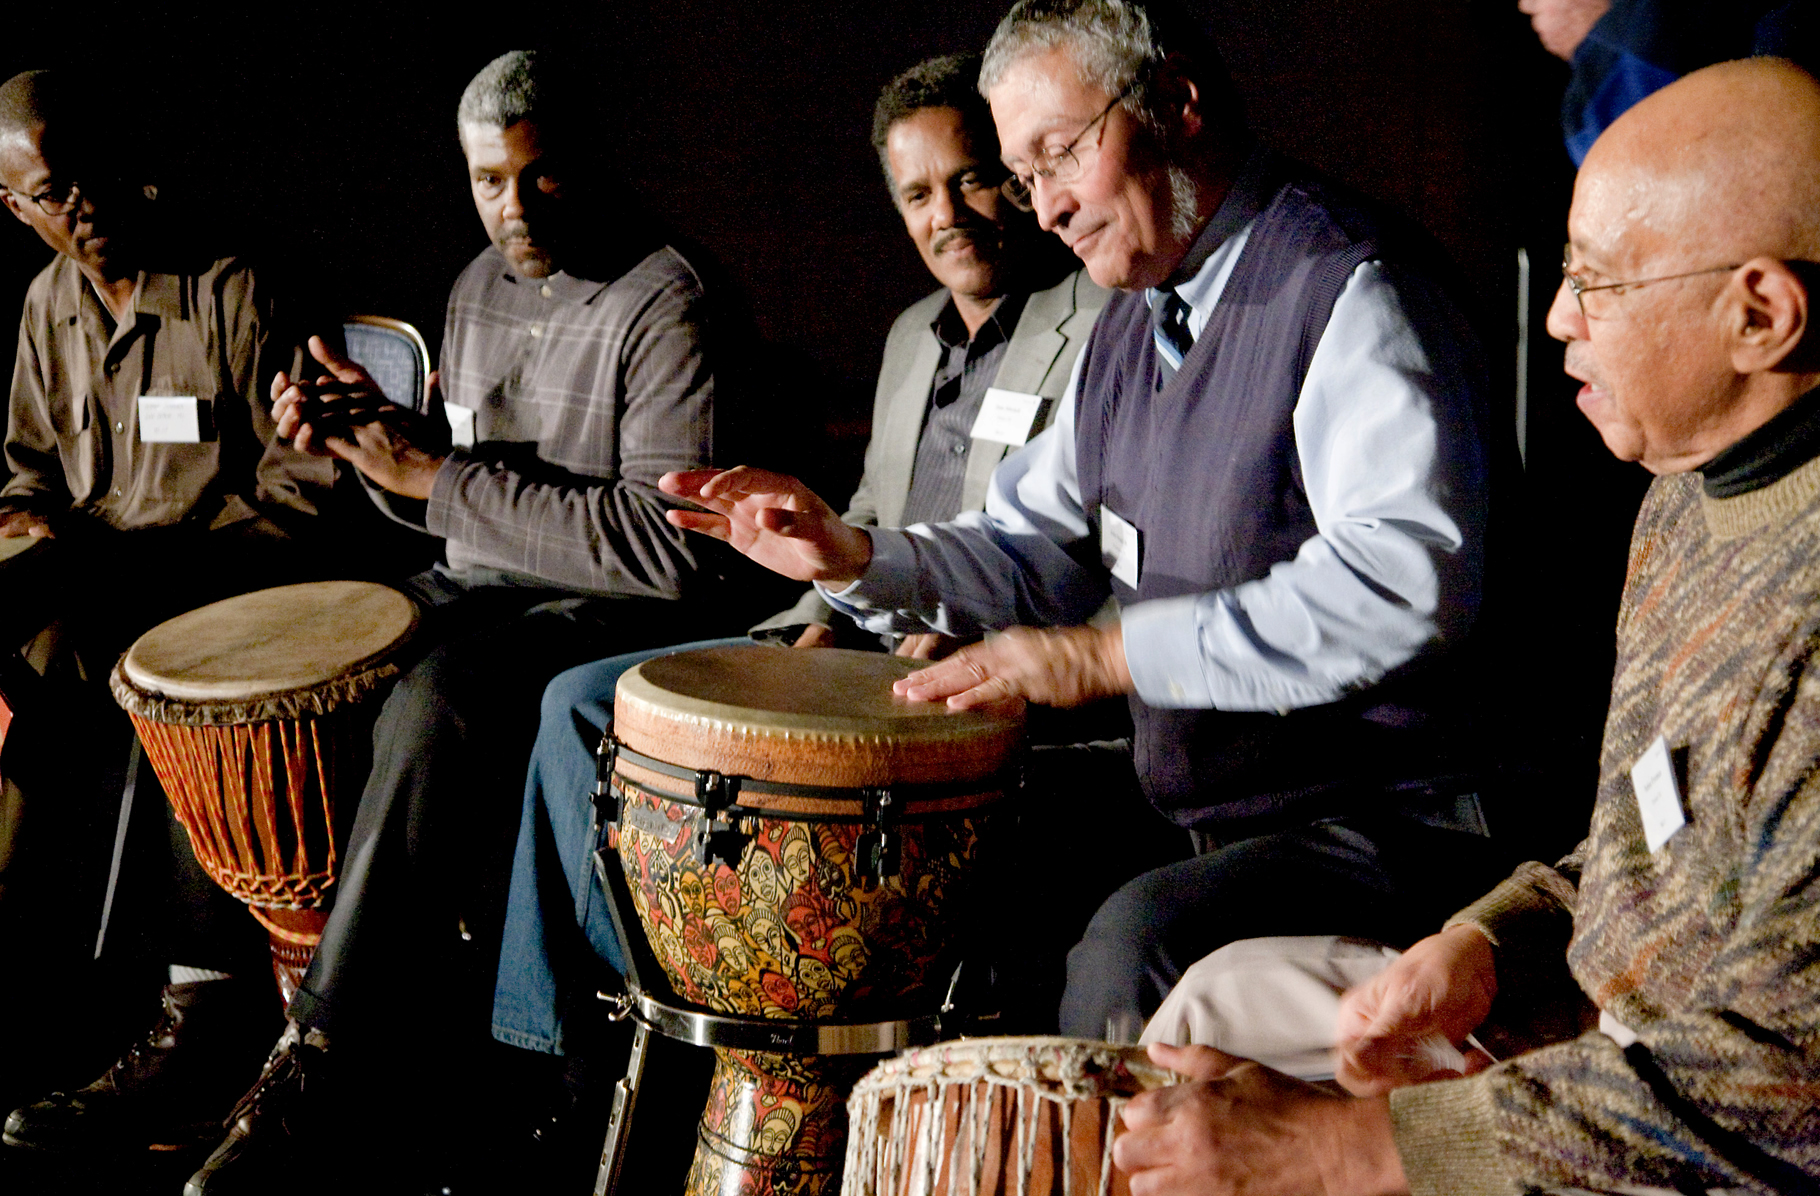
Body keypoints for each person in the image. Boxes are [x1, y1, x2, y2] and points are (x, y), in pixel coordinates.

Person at [661, 0, 1502, 1043]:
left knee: (1129, 941)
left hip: (1387, 817)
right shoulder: (1133, 322)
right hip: (1206, 806)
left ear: (1178, 104)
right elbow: (1026, 547)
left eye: (1059, 155)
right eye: (1024, 175)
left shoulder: (1348, 286)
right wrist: (853, 552)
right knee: (943, 867)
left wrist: (1110, 653)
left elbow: (1403, 589)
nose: (1044, 207)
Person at [5, 49, 758, 1193]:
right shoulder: (476, 286)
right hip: (480, 580)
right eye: (488, 181)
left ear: (590, 162)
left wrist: (432, 481)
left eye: (540, 177)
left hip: (605, 611)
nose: (514, 207)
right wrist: (360, 441)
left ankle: (326, 1055)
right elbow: (444, 488)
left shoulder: (667, 300)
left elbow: (660, 549)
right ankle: (204, 1006)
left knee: (437, 699)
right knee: (228, 655)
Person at [1114, 57, 1820, 1196]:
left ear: (1758, 314)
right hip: (1586, 1035)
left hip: (1684, 1129)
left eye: (1597, 283)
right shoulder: (1688, 493)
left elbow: (1784, 1087)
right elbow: (1661, 849)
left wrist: (1343, 1147)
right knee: (1212, 1002)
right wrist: (1492, 939)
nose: (1554, 319)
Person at [484, 54, 1116, 1140]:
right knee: (582, 703)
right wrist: (815, 613)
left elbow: (1074, 558)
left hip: (977, 685)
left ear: (1017, 177)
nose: (947, 215)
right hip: (858, 648)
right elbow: (870, 512)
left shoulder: (1098, 319)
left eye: (970, 180)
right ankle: (560, 1055)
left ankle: (672, 1066)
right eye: (916, 194)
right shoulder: (911, 336)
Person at [0, 69, 348, 1125]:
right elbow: (25, 472)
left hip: (230, 584)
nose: (85, 207)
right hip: (94, 579)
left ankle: (174, 1008)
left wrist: (167, 568)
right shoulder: (46, 308)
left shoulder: (229, 284)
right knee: (26, 658)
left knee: (108, 649)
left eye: (97, 176)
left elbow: (307, 487)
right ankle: (31, 975)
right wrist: (33, 530)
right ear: (14, 207)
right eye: (53, 195)